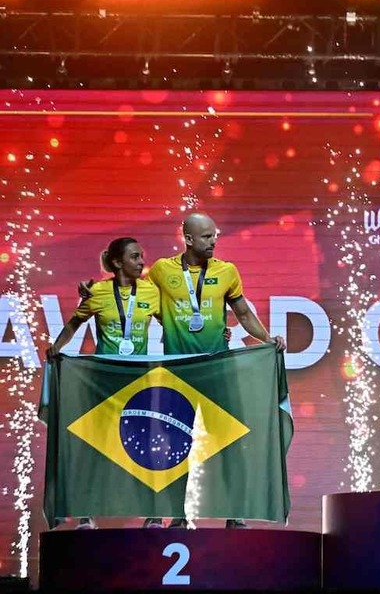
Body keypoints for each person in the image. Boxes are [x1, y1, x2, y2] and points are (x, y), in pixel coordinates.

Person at [81, 213, 285, 528]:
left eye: (214, 235)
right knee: (173, 446)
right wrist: (91, 290)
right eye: (206, 237)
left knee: (229, 443)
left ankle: (236, 515)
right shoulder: (162, 270)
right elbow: (132, 295)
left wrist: (268, 339)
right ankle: (171, 515)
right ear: (188, 239)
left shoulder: (227, 271)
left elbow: (243, 313)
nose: (213, 241)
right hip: (177, 373)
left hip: (218, 370)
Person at [49, 237, 161, 530]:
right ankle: (85, 514)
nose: (141, 262)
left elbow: (175, 325)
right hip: (103, 382)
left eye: (141, 256)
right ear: (117, 262)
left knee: (146, 449)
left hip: (139, 383)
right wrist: (56, 348)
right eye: (135, 257)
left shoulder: (151, 291)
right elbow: (74, 324)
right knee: (95, 449)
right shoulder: (97, 292)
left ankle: (153, 515)